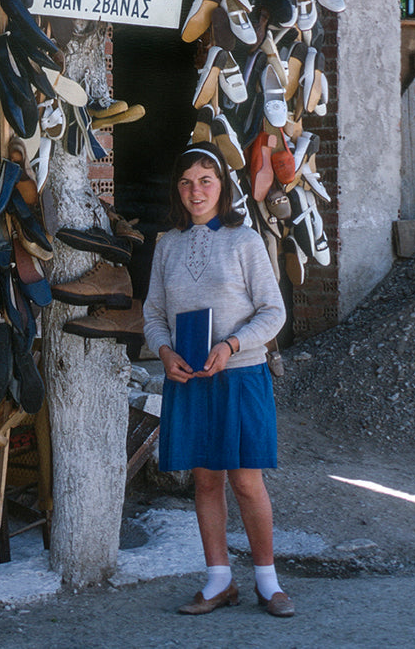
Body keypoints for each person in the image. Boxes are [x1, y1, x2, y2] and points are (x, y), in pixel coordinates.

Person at [142, 142, 294, 618]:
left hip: (240, 376)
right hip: (188, 379)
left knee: (246, 482)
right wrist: (164, 351)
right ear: (178, 189)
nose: (196, 190)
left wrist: (230, 345)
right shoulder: (167, 245)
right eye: (186, 182)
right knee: (205, 482)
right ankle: (219, 580)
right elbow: (153, 315)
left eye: (206, 180)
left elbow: (274, 313)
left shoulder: (244, 240)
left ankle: (268, 584)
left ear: (222, 187)